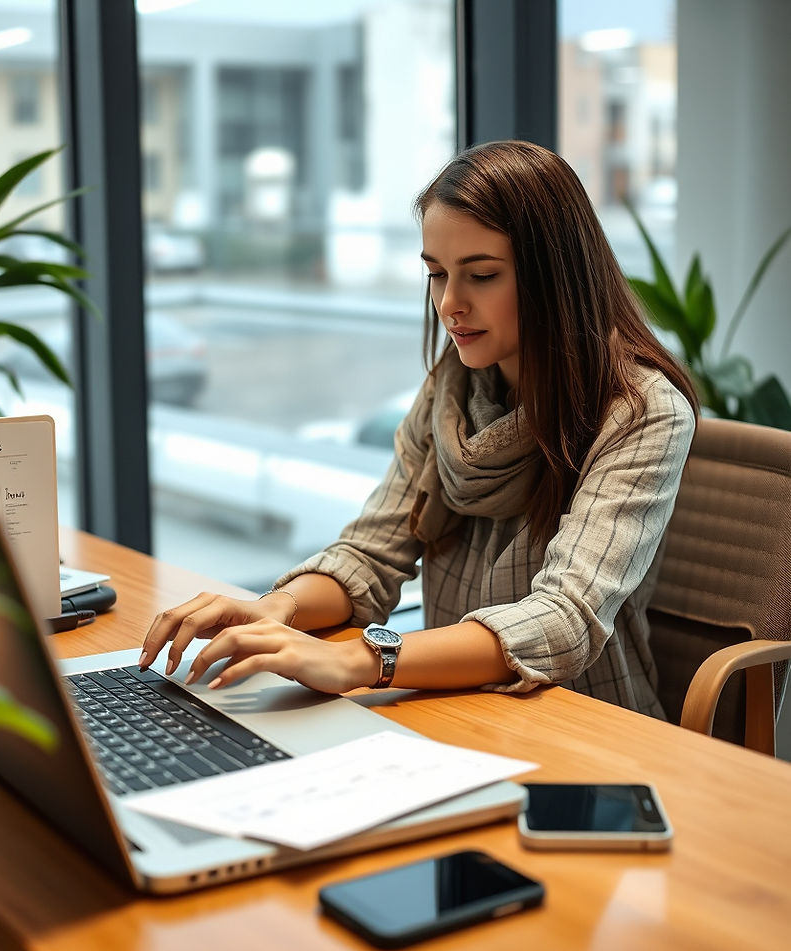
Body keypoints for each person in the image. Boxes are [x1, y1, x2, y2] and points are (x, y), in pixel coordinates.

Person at [140, 140, 699, 719]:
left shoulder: (642, 410)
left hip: (586, 725)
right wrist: (277, 608)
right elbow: (371, 555)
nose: (449, 303)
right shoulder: (451, 387)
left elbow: (564, 619)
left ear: (554, 276)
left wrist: (361, 661)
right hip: (449, 709)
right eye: (436, 274)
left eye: (481, 275)